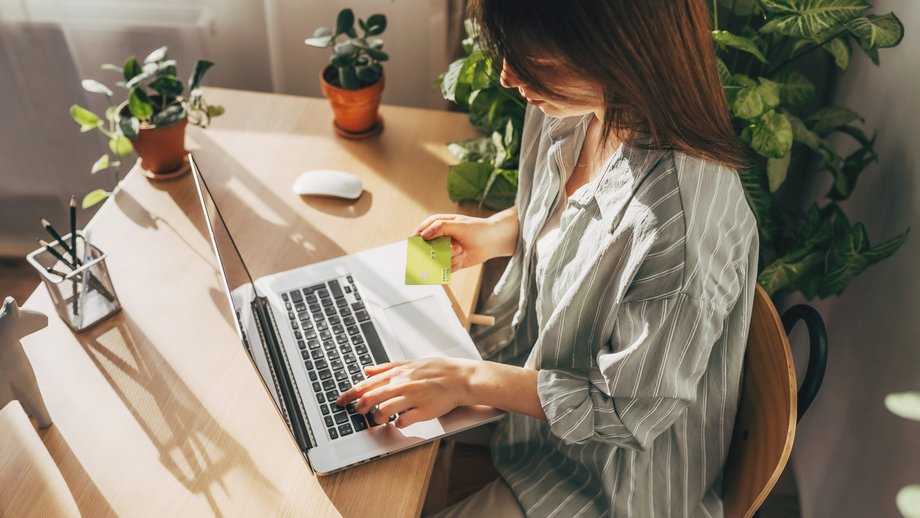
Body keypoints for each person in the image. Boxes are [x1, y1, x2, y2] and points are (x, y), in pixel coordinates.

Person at [336, 0, 759, 515]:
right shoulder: (572, 108)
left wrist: (467, 380)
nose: (509, 75)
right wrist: (497, 234)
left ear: (622, 54)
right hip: (526, 411)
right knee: (349, 398)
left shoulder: (684, 224)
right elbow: (582, 218)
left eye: (537, 63)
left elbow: (626, 412)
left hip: (603, 483)